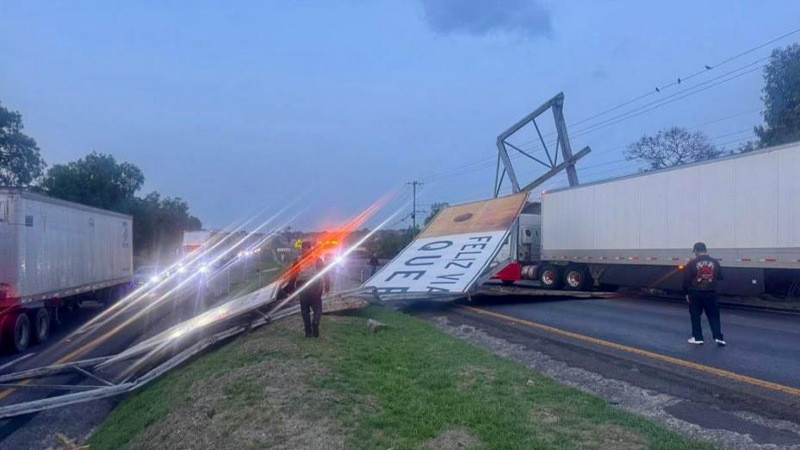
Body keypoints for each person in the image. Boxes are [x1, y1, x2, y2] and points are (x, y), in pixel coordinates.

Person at [682, 242, 725, 346]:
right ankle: (718, 337)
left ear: (696, 251)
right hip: (711, 292)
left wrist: (686, 292)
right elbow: (720, 277)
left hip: (695, 292)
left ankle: (698, 337)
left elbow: (686, 279)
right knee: (713, 315)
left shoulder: (692, 263)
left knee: (695, 315)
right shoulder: (714, 262)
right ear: (705, 250)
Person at [286, 243, 330, 338]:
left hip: (303, 287)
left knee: (305, 311)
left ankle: (308, 333)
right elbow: (326, 273)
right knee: (317, 308)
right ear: (311, 249)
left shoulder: (297, 261)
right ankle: (315, 321)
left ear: (301, 250)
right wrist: (327, 286)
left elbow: (293, 276)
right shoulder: (318, 260)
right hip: (315, 286)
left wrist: (289, 289)